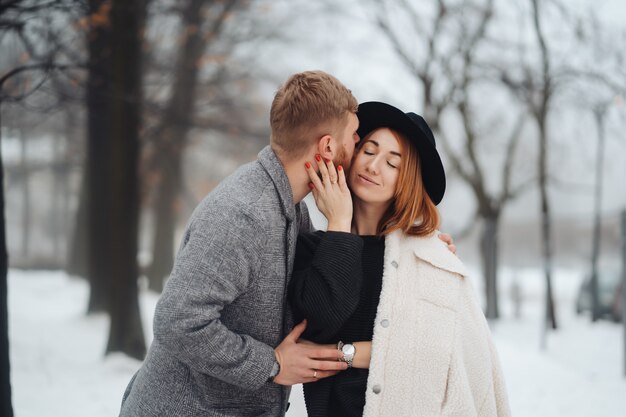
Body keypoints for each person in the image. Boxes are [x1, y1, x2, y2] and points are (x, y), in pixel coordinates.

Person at [118, 70, 360, 417]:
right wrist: (272, 363)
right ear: (327, 147)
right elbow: (178, 320)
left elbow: (327, 286)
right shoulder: (243, 214)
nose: (358, 145)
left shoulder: (289, 209)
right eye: (353, 136)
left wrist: (407, 245)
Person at [289, 101, 511, 417]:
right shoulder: (311, 249)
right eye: (368, 151)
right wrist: (339, 225)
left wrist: (343, 353)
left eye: (393, 163)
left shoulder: (431, 260)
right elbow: (317, 322)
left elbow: (437, 356)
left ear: (406, 181)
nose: (373, 166)